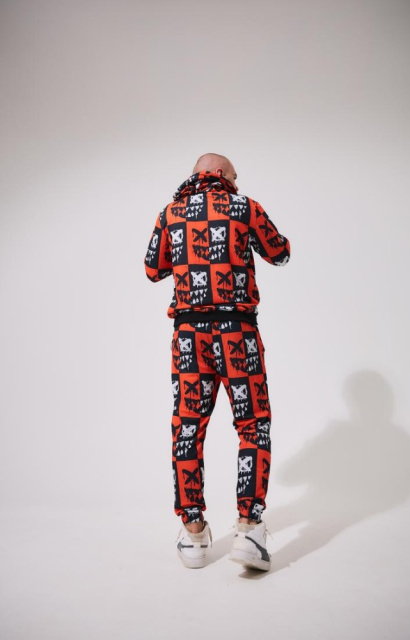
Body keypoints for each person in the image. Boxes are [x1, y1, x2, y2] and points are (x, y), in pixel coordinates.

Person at [144, 153, 291, 570]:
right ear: (223, 175)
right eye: (236, 176)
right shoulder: (245, 206)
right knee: (253, 424)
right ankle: (249, 530)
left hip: (189, 337)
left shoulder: (170, 213)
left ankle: (193, 534)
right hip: (237, 333)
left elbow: (153, 270)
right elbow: (280, 253)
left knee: (188, 427)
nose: (237, 183)